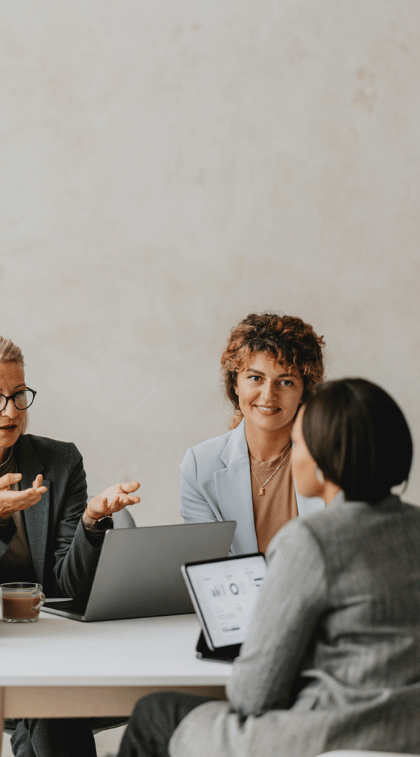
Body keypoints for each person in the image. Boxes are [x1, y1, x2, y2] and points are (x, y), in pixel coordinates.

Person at [118, 377, 420, 757]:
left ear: (327, 461)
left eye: (300, 440)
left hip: (331, 734)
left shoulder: (311, 539)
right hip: (409, 735)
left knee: (154, 713)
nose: (293, 451)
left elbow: (253, 695)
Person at [0, 333, 141, 757]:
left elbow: (68, 584)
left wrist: (91, 523)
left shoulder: (60, 461)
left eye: (18, 395)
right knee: (48, 705)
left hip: (52, 638)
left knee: (44, 695)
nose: (11, 411)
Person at [180, 313, 327, 554]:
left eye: (286, 382)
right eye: (255, 378)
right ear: (235, 383)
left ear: (305, 391)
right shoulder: (199, 465)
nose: (269, 395)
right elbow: (207, 567)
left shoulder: (329, 457)